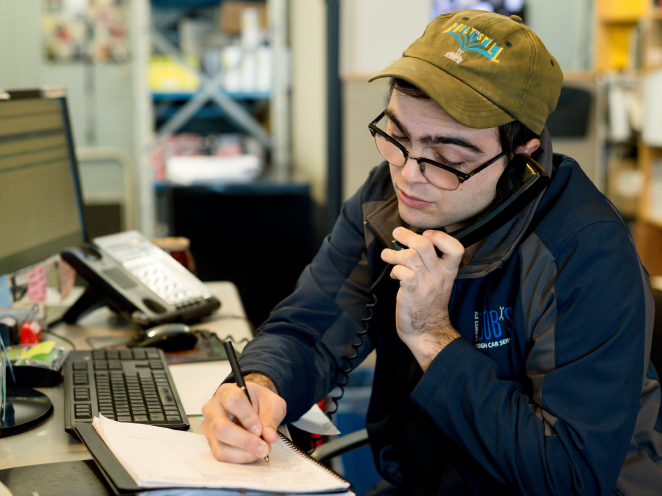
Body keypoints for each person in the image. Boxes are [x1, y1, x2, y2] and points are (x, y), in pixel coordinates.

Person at [201, 10, 662, 495]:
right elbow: (308, 324)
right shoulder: (387, 198)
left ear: (522, 155)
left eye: (448, 159)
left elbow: (568, 475)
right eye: (397, 137)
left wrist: (432, 337)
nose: (409, 175)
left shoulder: (585, 252)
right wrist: (260, 385)